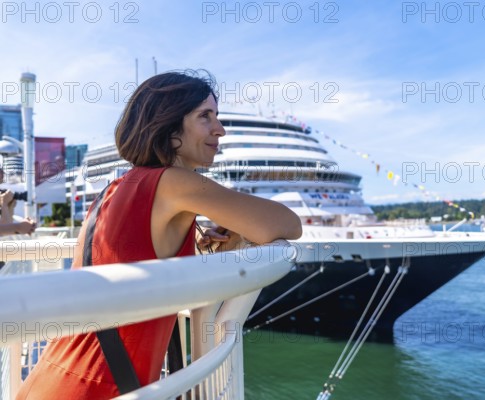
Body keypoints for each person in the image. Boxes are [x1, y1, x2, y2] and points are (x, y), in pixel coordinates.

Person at [16, 69, 302, 399]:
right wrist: (240, 228)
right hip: (97, 388)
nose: (219, 130)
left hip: (52, 376)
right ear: (168, 126)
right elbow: (287, 224)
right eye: (205, 117)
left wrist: (200, 240)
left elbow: (134, 251)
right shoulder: (175, 183)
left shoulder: (116, 188)